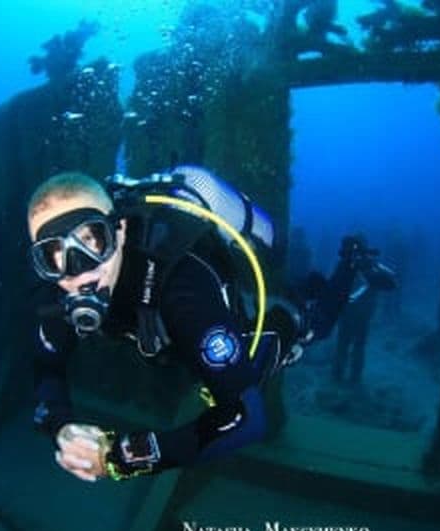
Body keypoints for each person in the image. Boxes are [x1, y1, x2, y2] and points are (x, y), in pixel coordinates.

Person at [27, 167, 385, 482]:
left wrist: (117, 459)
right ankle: (312, 283)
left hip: (233, 311)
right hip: (180, 337)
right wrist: (61, 425)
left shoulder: (182, 290)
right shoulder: (58, 293)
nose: (78, 271)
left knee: (313, 327)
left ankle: (350, 261)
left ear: (119, 230)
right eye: (54, 254)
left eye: (90, 240)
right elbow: (46, 367)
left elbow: (247, 419)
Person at [332, 233, 397, 386]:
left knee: (346, 343)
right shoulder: (363, 263)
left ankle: (341, 375)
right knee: (354, 345)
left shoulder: (362, 263)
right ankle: (350, 377)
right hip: (358, 313)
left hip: (354, 312)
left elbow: (390, 282)